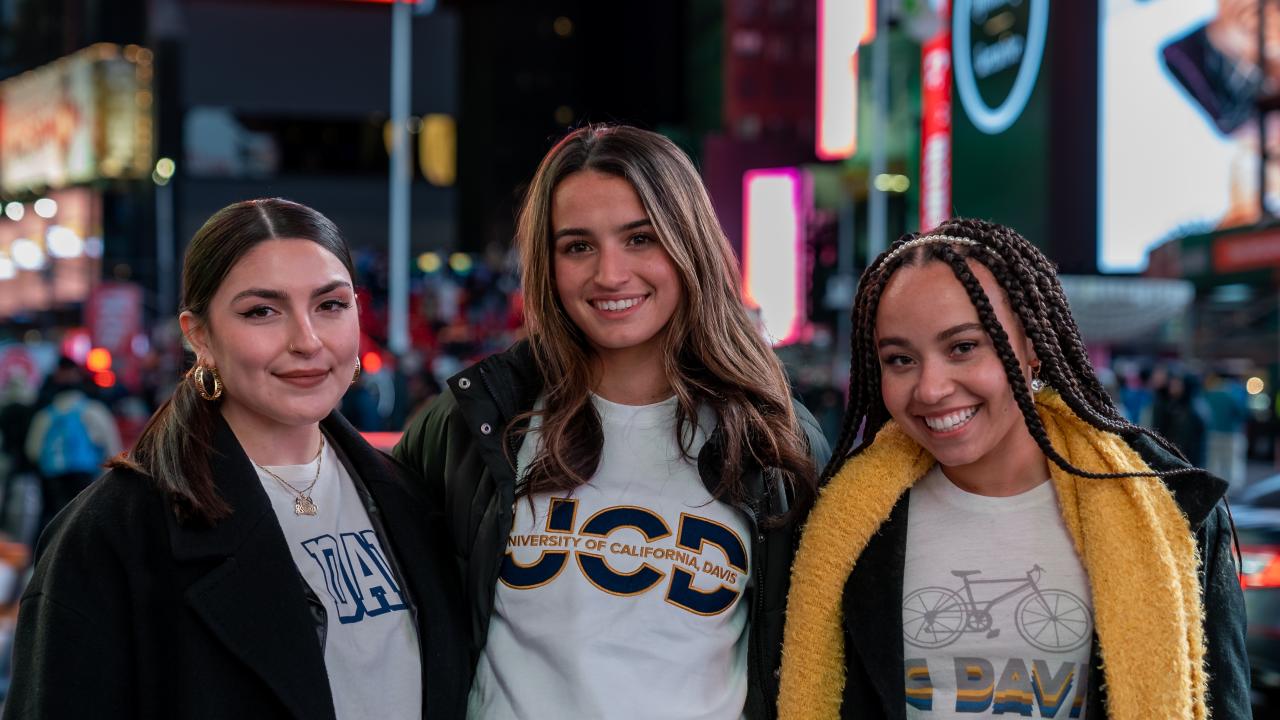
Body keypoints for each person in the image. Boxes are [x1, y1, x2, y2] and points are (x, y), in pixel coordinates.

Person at [394, 124, 830, 720]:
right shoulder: (474, 422)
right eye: (578, 246)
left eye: (640, 238)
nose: (610, 274)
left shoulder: (773, 440)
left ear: (689, 243)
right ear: (547, 264)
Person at [4, 198, 468, 719]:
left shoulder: (413, 501)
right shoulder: (110, 536)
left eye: (330, 305)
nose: (307, 341)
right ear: (199, 335)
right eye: (261, 311)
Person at [777, 219, 1249, 719]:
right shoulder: (845, 526)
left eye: (963, 347)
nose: (931, 388)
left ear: (1030, 347)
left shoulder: (1166, 508)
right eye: (900, 359)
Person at [24, 356, 121, 537]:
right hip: (86, 477)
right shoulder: (94, 410)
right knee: (84, 524)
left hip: (52, 478)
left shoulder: (45, 415)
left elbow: (33, 451)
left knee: (53, 524)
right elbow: (112, 449)